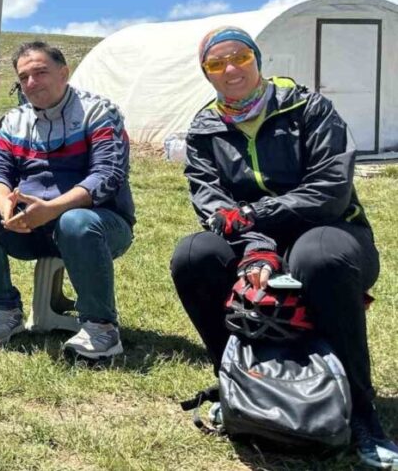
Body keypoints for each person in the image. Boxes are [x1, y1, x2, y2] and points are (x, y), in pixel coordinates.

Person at [169, 26, 396, 467]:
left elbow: (330, 190)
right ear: (206, 73)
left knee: (318, 258)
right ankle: (236, 387)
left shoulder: (308, 108)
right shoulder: (204, 129)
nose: (230, 69)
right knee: (194, 255)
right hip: (254, 241)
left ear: (257, 59)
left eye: (239, 57)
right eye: (216, 63)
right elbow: (213, 205)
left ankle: (362, 413)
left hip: (332, 230)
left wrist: (255, 218)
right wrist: (256, 247)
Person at [0, 41, 134, 360]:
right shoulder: (14, 121)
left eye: (40, 72)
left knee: (75, 221)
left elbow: (106, 176)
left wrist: (52, 209)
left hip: (99, 226)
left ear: (64, 73)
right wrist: (6, 207)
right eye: (23, 77)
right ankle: (5, 312)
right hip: (31, 227)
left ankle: (101, 328)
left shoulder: (98, 112)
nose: (31, 83)